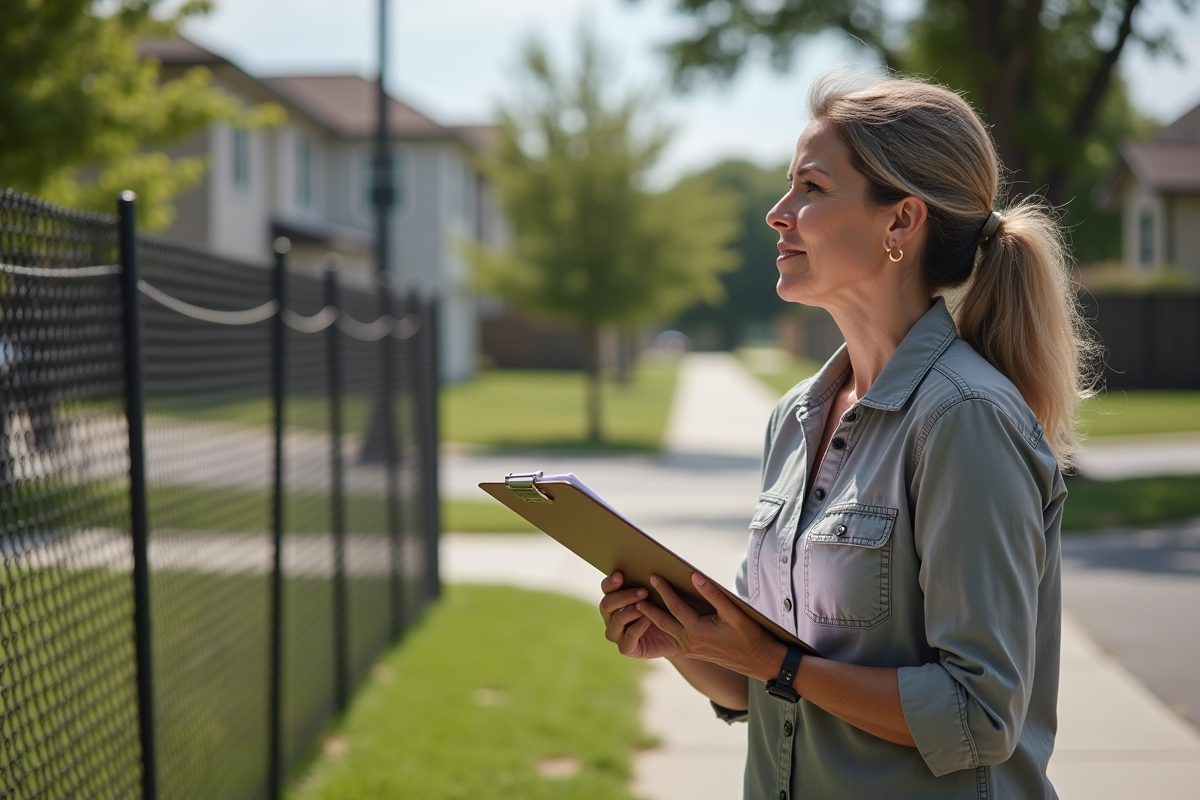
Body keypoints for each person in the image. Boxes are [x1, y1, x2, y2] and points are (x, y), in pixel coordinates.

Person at [600, 75, 1095, 799]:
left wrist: (777, 664)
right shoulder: (795, 416)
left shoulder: (965, 419)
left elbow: (978, 716)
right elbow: (758, 685)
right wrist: (684, 641)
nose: (778, 214)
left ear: (900, 222)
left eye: (811, 187)